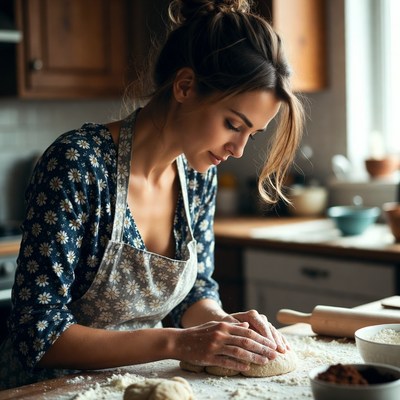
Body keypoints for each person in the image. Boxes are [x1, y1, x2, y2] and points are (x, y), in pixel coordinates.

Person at [0, 0, 304, 389]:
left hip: (138, 387)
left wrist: (222, 325)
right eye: (232, 124)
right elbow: (37, 334)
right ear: (184, 86)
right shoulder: (78, 164)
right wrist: (178, 342)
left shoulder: (197, 176)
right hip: (46, 391)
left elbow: (194, 291)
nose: (238, 150)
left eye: (252, 135)